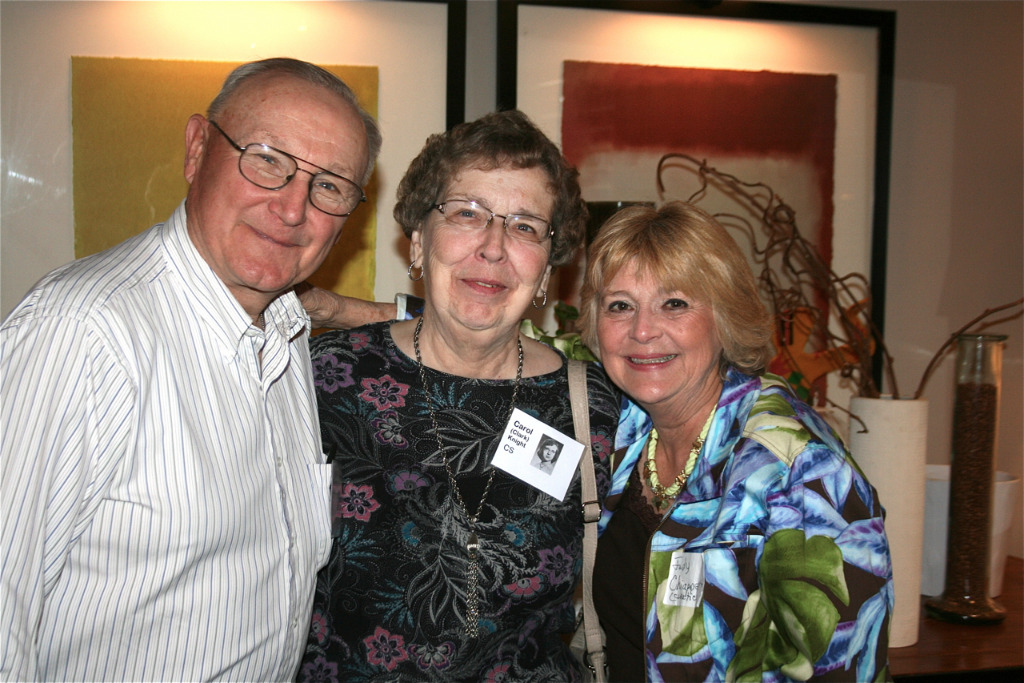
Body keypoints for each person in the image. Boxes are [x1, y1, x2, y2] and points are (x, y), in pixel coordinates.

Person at [1, 58, 382, 682]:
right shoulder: (82, 331)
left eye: (330, 185)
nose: (292, 209)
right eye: (266, 159)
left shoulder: (286, 337)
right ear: (197, 148)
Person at [296, 110, 620, 682]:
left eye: (524, 226)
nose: (493, 247)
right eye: (467, 214)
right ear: (418, 241)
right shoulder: (326, 379)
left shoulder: (593, 405)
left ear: (547, 268)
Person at [577, 202, 894, 682]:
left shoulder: (804, 474)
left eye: (675, 303)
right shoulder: (625, 427)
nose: (642, 331)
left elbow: (837, 670)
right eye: (620, 305)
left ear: (725, 316)